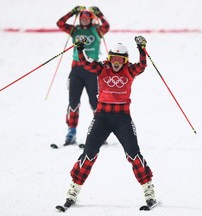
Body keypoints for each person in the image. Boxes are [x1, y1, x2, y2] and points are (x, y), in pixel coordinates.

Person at [61, 35, 156, 208]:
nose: (117, 62)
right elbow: (86, 63)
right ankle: (74, 189)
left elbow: (142, 66)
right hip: (102, 118)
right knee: (89, 153)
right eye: (114, 58)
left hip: (122, 119)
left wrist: (142, 49)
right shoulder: (102, 68)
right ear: (110, 58)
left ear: (125, 60)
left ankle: (148, 189)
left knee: (133, 153)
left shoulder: (129, 70)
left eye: (120, 59)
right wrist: (80, 48)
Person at [56, 6, 110, 145]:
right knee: (73, 102)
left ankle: (100, 133)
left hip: (92, 70)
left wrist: (99, 14)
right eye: (82, 18)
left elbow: (107, 26)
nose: (84, 20)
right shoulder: (75, 30)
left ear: (91, 19)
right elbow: (60, 24)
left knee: (94, 103)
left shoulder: (97, 30)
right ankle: (71, 132)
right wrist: (72, 12)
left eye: (87, 18)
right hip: (77, 70)